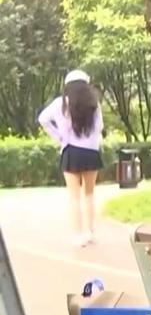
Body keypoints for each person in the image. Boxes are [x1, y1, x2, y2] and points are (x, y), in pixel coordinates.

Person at [39, 69, 104, 247]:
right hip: (91, 152)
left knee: (74, 196)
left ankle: (77, 235)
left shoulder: (60, 104)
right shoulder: (94, 104)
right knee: (89, 194)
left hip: (70, 152)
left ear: (67, 86)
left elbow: (43, 119)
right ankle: (89, 232)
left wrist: (59, 136)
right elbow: (99, 127)